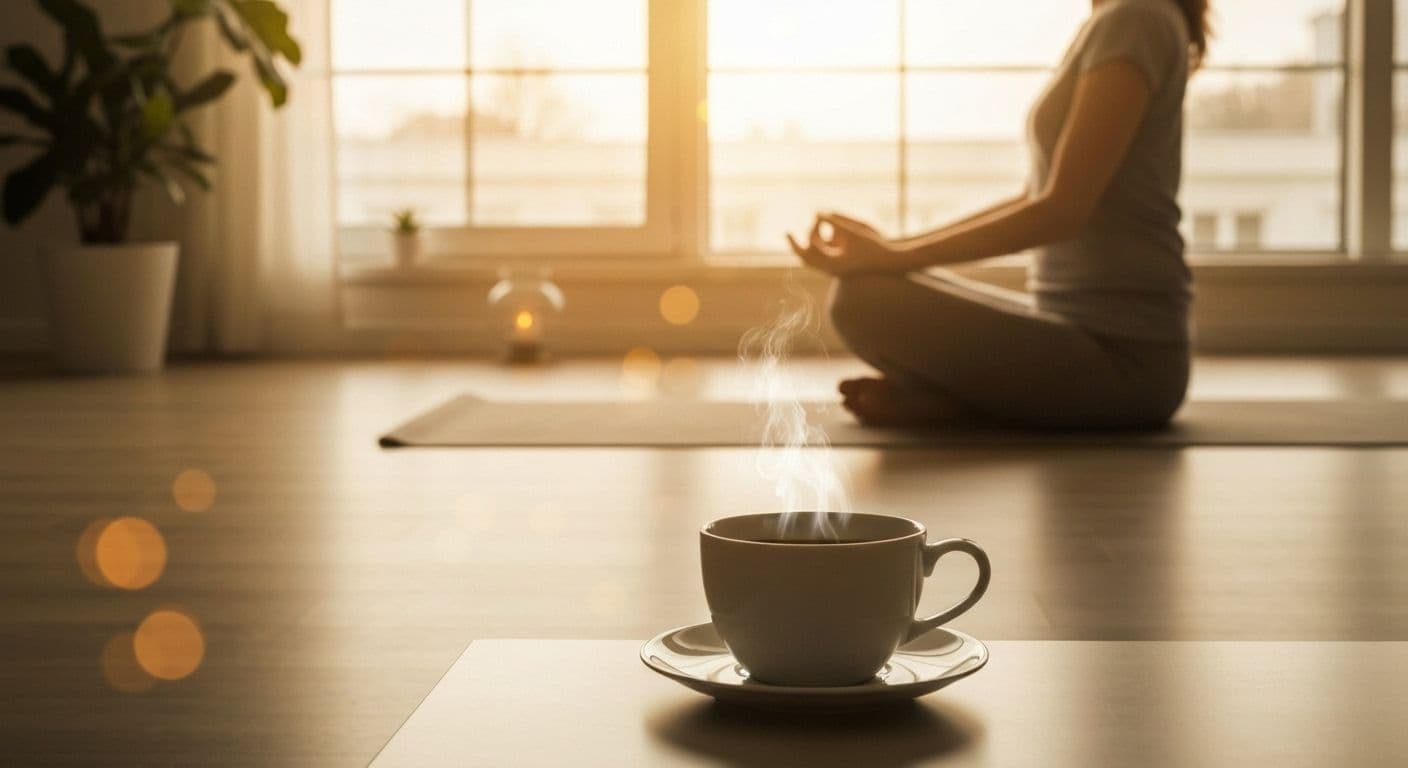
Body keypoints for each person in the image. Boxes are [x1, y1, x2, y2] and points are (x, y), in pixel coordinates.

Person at [790, 0, 1211, 430]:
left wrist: (895, 257)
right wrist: (893, 251)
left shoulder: (1136, 18)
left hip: (1127, 359)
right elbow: (1038, 197)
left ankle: (965, 404)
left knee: (864, 301)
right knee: (873, 284)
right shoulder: (1126, 18)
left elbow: (1062, 212)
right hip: (1071, 327)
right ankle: (977, 400)